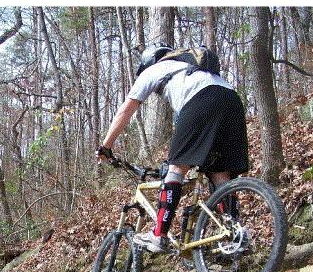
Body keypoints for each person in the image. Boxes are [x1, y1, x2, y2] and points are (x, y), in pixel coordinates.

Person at [96, 42, 249, 253]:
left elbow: (126, 110)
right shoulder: (191, 70)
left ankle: (159, 236)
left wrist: (106, 146)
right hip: (231, 100)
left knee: (175, 170)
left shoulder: (154, 69)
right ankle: (235, 234)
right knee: (220, 174)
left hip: (201, 100)